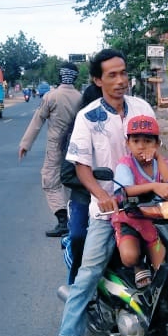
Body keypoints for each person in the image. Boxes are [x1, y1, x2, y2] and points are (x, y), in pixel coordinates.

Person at [50, 49, 154, 336]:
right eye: (111, 75)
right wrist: (102, 196)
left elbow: (157, 153)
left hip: (147, 204)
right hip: (109, 210)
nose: (120, 80)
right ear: (98, 80)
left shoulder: (142, 107)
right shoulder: (88, 116)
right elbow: (81, 167)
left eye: (123, 73)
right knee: (88, 274)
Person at [111, 114, 168, 288]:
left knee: (161, 267)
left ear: (157, 143)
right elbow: (126, 189)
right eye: (136, 141)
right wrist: (154, 186)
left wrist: (158, 158)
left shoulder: (161, 162)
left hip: (156, 219)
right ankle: (138, 265)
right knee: (130, 257)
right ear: (128, 143)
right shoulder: (125, 164)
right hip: (130, 219)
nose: (141, 146)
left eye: (148, 141)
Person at [18, 62, 83, 237]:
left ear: (60, 76)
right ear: (75, 78)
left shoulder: (51, 96)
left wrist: (25, 145)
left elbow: (37, 121)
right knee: (71, 181)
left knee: (50, 181)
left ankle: (63, 222)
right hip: (76, 147)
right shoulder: (80, 97)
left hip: (55, 147)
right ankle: (75, 219)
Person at [60, 83, 103, 285]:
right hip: (84, 198)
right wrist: (94, 184)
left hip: (120, 195)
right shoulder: (78, 132)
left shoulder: (123, 129)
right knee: (78, 238)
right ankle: (75, 284)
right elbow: (67, 175)